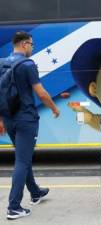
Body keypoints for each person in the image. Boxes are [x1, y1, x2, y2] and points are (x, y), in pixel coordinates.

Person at [0, 31, 60, 220]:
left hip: (9, 118)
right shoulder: (27, 65)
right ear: (25, 44)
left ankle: (35, 192)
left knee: (22, 157)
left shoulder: (2, 63)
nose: (33, 48)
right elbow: (41, 93)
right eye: (32, 45)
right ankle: (14, 207)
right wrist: (54, 108)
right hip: (26, 119)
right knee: (22, 161)